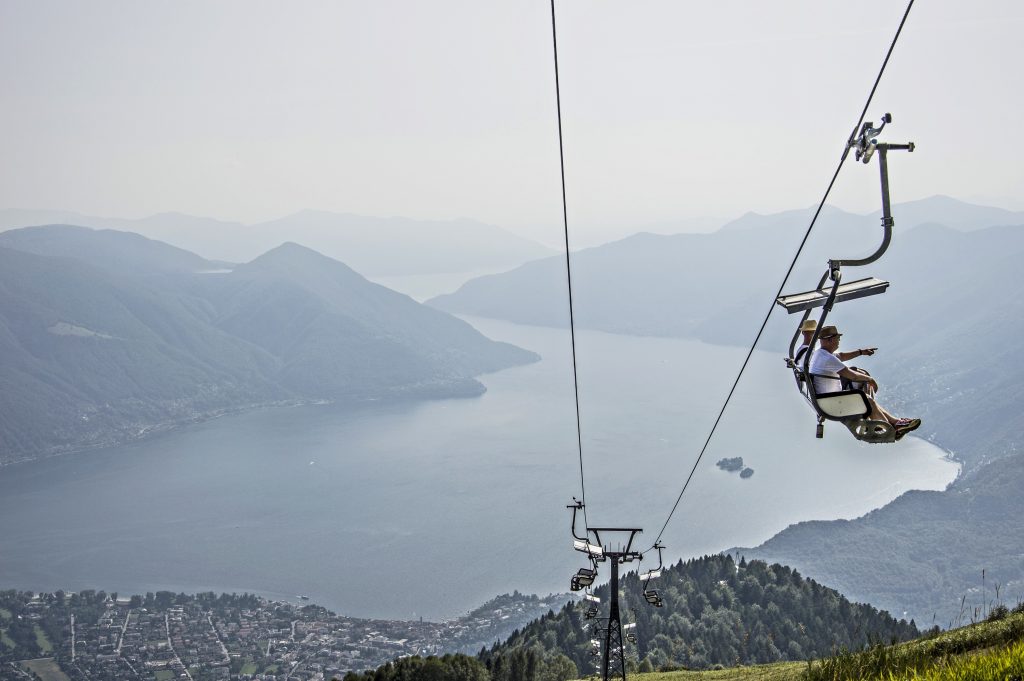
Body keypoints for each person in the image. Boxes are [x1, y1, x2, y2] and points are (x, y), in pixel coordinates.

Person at [808, 325, 921, 439]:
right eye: (838, 338)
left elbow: (841, 356)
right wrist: (870, 379)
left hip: (828, 400)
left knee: (867, 399)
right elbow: (852, 376)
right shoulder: (827, 358)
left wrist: (861, 352)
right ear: (830, 339)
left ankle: (896, 423)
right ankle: (891, 431)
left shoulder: (821, 354)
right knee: (866, 400)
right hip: (832, 402)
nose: (839, 341)